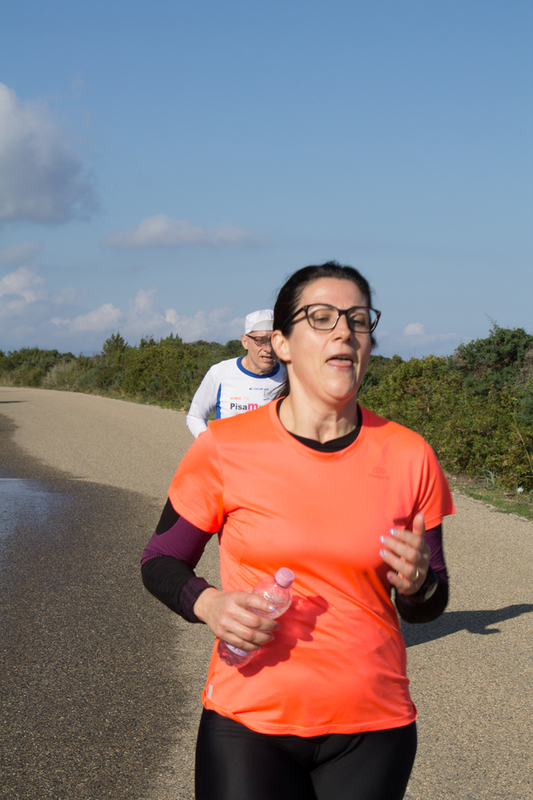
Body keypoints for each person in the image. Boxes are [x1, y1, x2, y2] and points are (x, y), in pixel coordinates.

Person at [141, 261, 455, 800]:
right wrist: (209, 604)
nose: (345, 331)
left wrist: (420, 584)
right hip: (247, 724)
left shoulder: (409, 454)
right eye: (322, 317)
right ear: (282, 343)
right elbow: (160, 559)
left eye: (358, 320)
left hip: (373, 729)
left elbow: (428, 602)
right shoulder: (222, 448)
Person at [186, 309, 286, 437]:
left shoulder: (291, 377)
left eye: (273, 340)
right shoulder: (220, 372)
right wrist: (210, 445)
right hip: (227, 456)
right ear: (245, 341)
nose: (268, 349)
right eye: (260, 340)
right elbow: (195, 417)